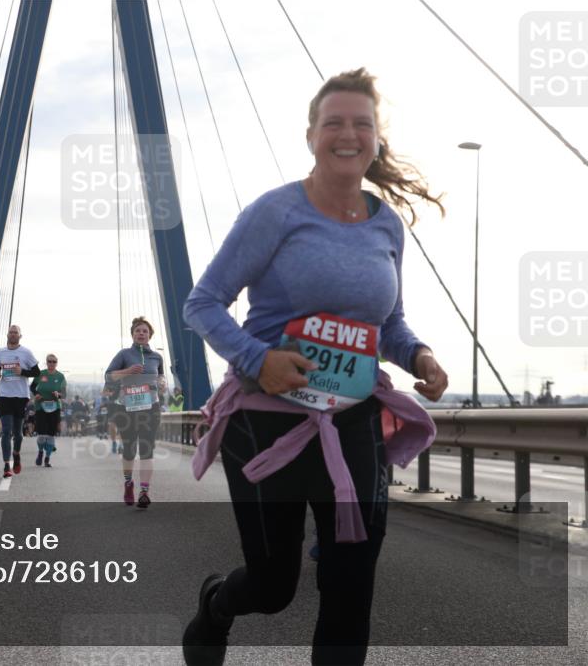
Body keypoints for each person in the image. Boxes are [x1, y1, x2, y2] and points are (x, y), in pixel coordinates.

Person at [180, 68, 447, 666]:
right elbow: (202, 303)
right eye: (334, 123)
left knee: (351, 589)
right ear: (311, 136)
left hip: (353, 422)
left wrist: (419, 355)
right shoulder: (275, 213)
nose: (347, 134)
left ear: (376, 138)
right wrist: (259, 360)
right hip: (265, 424)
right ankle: (217, 605)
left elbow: (390, 325)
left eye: (361, 123)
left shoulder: (386, 224)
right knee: (273, 588)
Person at [105, 316, 166, 509]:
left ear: (149, 335)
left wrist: (163, 383)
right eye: (138, 331)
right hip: (126, 409)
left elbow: (162, 376)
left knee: (147, 449)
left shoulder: (157, 357)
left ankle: (144, 492)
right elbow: (109, 376)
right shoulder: (124, 354)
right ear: (132, 334)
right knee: (130, 450)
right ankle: (129, 483)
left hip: (151, 408)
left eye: (145, 331)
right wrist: (128, 371)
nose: (141, 333)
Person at [0, 324, 39, 478]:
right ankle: (6, 465)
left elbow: (36, 372)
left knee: (18, 433)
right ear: (7, 335)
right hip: (4, 395)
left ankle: (16, 453)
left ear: (20, 336)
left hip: (20, 396)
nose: (12, 335)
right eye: (10, 332)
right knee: (6, 431)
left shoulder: (26, 352)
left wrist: (23, 372)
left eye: (15, 333)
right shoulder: (0, 352)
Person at [32, 354, 66, 467]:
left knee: (51, 434)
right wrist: (36, 394)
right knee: (41, 433)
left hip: (54, 407)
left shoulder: (60, 376)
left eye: (53, 362)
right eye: (49, 361)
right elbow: (32, 387)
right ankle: (41, 452)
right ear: (46, 362)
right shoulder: (41, 374)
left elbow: (64, 393)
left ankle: (47, 458)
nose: (51, 363)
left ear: (56, 363)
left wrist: (58, 394)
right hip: (41, 406)